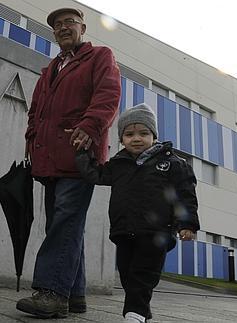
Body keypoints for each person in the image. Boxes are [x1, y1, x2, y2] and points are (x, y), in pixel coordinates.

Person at [16, 7, 122, 319]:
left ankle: (52, 292)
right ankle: (75, 296)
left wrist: (90, 126)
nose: (63, 28)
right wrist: (30, 137)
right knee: (63, 223)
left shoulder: (100, 56)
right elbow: (36, 111)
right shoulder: (49, 70)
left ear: (82, 28)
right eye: (57, 25)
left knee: (65, 221)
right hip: (48, 157)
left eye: (69, 23)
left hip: (79, 154)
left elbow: (108, 94)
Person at [74, 103, 200, 322]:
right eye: (129, 134)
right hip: (124, 229)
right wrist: (83, 152)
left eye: (144, 133)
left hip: (156, 233)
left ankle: (135, 314)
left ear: (154, 136)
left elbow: (185, 195)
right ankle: (142, 308)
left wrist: (187, 224)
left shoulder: (172, 163)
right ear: (122, 139)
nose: (136, 138)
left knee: (143, 274)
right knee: (126, 274)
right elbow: (96, 175)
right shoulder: (118, 163)